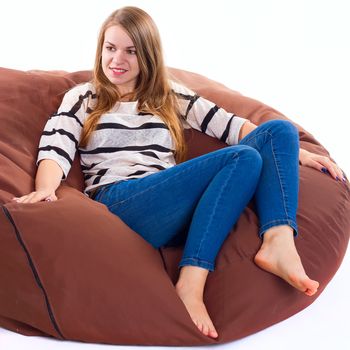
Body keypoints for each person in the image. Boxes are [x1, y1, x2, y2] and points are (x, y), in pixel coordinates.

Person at [12, 6, 346, 339]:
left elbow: (229, 125)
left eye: (131, 51)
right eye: (110, 48)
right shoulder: (83, 97)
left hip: (174, 206)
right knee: (242, 160)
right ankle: (191, 280)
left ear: (148, 55)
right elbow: (57, 147)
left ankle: (278, 240)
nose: (117, 59)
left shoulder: (168, 95)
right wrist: (46, 188)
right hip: (122, 202)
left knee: (279, 132)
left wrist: (292, 154)